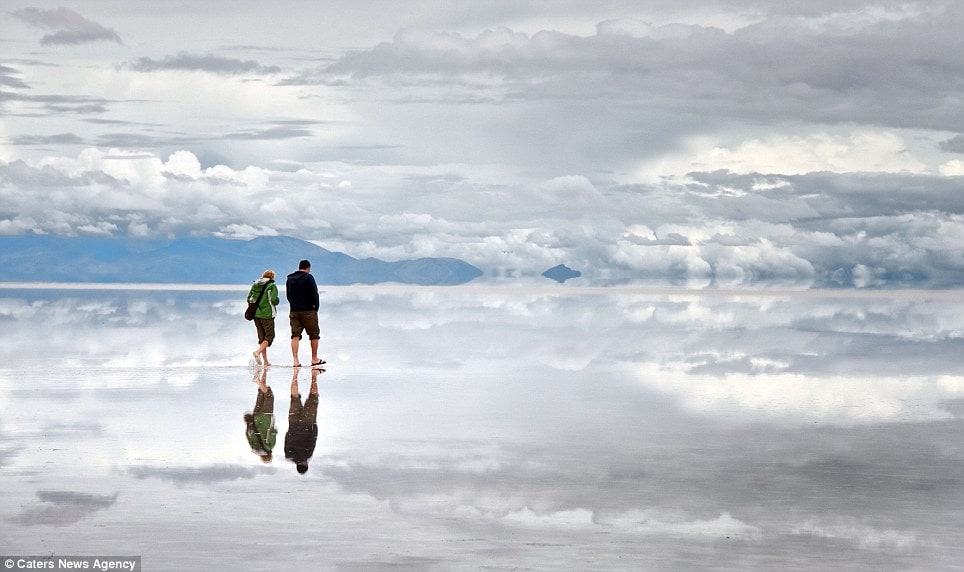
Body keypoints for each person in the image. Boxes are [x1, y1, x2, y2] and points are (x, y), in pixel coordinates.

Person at [285, 259, 325, 368]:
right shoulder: (309, 277)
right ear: (308, 268)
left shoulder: (290, 278)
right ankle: (314, 359)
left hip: (294, 310)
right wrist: (315, 307)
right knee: (314, 335)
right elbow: (314, 294)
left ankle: (295, 360)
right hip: (308, 311)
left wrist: (294, 305)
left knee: (295, 336)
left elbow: (288, 295)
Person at [285, 366, 321, 474]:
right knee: (294, 397)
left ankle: (314, 376)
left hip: (307, 423)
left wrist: (314, 426)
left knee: (313, 398)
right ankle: (295, 374)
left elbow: (313, 439)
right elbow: (286, 439)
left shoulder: (307, 455)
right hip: (293, 423)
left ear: (305, 465)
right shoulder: (288, 455)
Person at [243, 368, 277, 463]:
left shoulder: (270, 446)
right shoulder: (254, 447)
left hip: (266, 417)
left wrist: (275, 430)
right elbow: (248, 434)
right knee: (261, 393)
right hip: (255, 417)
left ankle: (257, 380)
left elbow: (273, 433)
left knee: (269, 395)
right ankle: (264, 371)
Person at [248, 269, 280, 366]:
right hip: (267, 314)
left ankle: (265, 361)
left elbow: (249, 298)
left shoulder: (255, 285)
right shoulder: (272, 286)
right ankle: (257, 352)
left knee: (262, 338)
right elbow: (274, 300)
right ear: (272, 277)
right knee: (269, 336)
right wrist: (277, 301)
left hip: (256, 315)